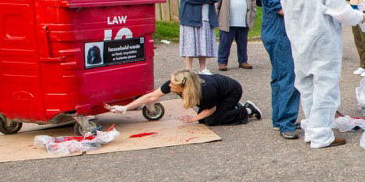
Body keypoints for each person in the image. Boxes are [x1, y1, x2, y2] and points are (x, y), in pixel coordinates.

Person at [281, 0, 362, 148]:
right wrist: (360, 16)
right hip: (322, 45)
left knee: (307, 88)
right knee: (325, 90)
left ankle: (311, 130)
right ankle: (321, 135)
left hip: (300, 45)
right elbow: (343, 12)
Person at [261, 0, 310, 139]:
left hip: (277, 32)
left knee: (280, 77)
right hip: (279, 33)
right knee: (289, 76)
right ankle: (285, 123)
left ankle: (279, 119)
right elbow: (278, 4)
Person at [109, 69, 261, 125]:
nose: (170, 86)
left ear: (184, 86)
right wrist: (125, 108)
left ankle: (247, 110)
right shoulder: (175, 82)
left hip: (231, 91)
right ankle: (231, 108)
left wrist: (192, 119)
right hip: (219, 92)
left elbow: (211, 109)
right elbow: (151, 96)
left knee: (211, 120)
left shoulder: (205, 91)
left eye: (173, 85)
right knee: (203, 119)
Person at [179, 0, 221, 73]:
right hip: (190, 18)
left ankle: (202, 69)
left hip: (206, 18)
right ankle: (188, 70)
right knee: (190, 45)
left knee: (203, 44)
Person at [217, 0, 257, 71]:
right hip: (228, 21)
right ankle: (222, 62)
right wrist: (216, 18)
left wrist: (252, 14)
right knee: (225, 43)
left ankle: (243, 61)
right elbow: (217, 3)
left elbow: (252, 1)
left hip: (243, 20)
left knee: (243, 43)